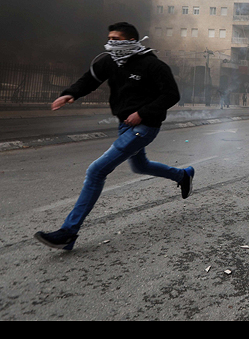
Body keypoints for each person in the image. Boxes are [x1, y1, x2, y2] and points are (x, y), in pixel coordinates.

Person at [34, 22, 195, 251]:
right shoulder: (109, 61)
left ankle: (68, 232)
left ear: (131, 41)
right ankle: (183, 175)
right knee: (140, 166)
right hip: (124, 125)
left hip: (145, 126)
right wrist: (70, 94)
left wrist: (142, 113)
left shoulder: (152, 64)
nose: (111, 42)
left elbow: (171, 95)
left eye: (116, 38)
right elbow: (89, 80)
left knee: (96, 170)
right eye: (109, 38)